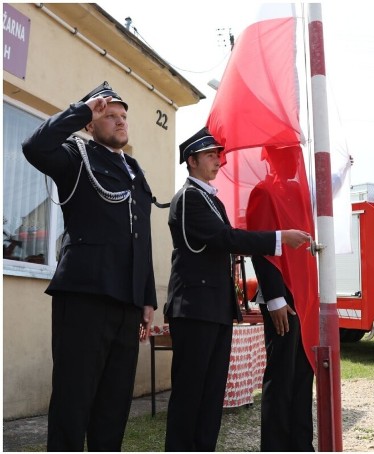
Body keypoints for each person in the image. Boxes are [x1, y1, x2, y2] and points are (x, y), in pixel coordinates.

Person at [21, 81, 156, 451]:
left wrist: (147, 298)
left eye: (123, 116)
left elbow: (140, 236)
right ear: (90, 124)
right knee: (73, 401)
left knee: (113, 407)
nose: (119, 121)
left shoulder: (133, 169)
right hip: (84, 297)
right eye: (109, 115)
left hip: (127, 303)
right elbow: (34, 147)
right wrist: (81, 109)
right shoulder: (74, 155)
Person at [163, 128, 311, 451]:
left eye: (218, 154)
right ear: (191, 161)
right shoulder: (188, 198)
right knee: (190, 398)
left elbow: (228, 241)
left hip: (215, 308)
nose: (219, 160)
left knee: (211, 398)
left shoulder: (210, 199)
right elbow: (227, 239)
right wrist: (278, 237)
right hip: (194, 308)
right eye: (211, 155)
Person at [246, 147, 318, 451]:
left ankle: (301, 444)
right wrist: (275, 298)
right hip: (283, 296)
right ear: (270, 158)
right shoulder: (263, 191)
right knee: (281, 376)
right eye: (284, 155)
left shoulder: (299, 191)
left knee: (304, 374)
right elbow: (261, 246)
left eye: (294, 154)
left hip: (303, 295)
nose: (292, 160)